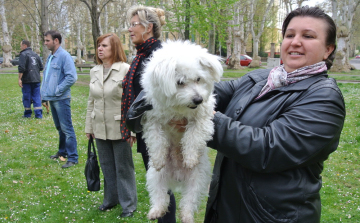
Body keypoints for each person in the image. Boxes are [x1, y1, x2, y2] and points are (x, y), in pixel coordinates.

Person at [127, 6, 346, 223]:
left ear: (328, 49)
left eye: (308, 36)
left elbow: (269, 149)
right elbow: (214, 92)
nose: (295, 41)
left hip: (271, 215)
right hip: (228, 205)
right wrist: (159, 97)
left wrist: (205, 119)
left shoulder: (324, 98)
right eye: (290, 34)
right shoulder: (262, 78)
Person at [121, 5, 177, 223]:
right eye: (130, 24)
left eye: (134, 24)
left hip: (162, 132)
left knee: (162, 183)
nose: (129, 29)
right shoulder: (141, 55)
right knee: (158, 182)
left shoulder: (160, 57)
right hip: (148, 131)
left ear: (149, 27)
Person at [85, 33, 137, 218]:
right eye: (99, 45)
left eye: (104, 46)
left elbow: (132, 102)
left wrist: (133, 131)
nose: (100, 49)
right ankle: (110, 200)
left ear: (114, 48)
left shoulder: (126, 69)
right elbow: (91, 100)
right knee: (107, 165)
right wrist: (89, 127)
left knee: (124, 167)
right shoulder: (94, 71)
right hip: (99, 126)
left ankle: (129, 205)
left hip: (120, 127)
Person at [41, 30, 79, 169]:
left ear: (56, 41)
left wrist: (57, 90)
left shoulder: (64, 56)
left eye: (47, 40)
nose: (45, 43)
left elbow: (72, 77)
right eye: (45, 41)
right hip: (52, 98)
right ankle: (62, 151)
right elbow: (47, 78)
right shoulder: (51, 57)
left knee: (67, 128)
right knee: (60, 128)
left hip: (61, 98)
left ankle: (73, 157)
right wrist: (44, 95)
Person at [18, 40, 44, 118]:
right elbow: (41, 67)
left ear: (25, 45)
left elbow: (21, 68)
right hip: (36, 79)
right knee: (37, 96)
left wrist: (20, 79)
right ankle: (38, 114)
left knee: (27, 96)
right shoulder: (36, 54)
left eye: (21, 45)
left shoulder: (23, 54)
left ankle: (27, 114)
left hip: (27, 79)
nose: (20, 47)